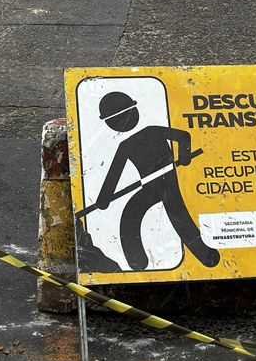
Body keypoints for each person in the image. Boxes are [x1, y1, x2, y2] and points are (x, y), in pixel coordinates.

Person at [93, 91, 221, 270]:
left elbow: (183, 136)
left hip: (168, 182)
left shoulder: (152, 132)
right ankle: (136, 260)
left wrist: (184, 156)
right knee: (130, 215)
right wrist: (104, 198)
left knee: (178, 216)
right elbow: (114, 174)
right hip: (149, 186)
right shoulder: (126, 145)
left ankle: (206, 254)